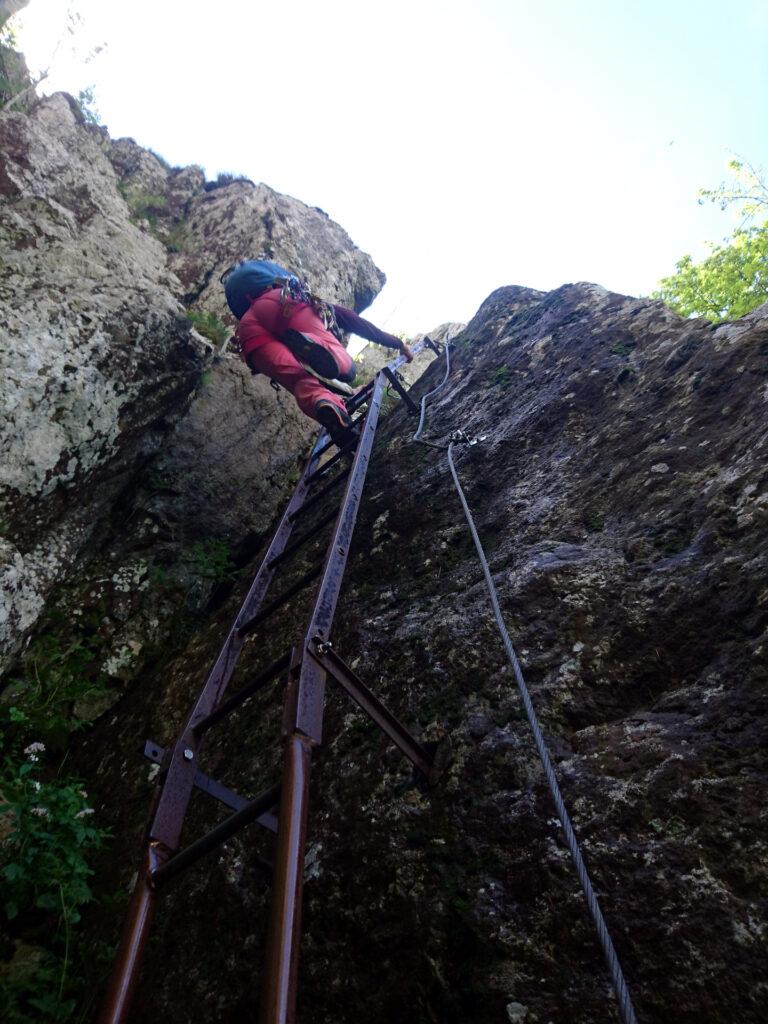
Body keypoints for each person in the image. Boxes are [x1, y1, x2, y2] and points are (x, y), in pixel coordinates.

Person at [221, 259, 414, 445]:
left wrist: (351, 392)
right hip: (283, 302)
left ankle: (330, 408)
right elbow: (357, 323)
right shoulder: (307, 300)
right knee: (347, 369)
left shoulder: (237, 299)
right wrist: (398, 343)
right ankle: (317, 345)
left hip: (249, 331)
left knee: (300, 381)